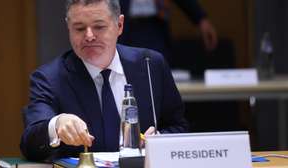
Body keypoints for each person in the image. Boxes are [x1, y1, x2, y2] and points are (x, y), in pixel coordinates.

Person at [20, 0, 189, 161]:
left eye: (99, 27)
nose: (89, 36)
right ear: (68, 28)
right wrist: (56, 125)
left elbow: (178, 127)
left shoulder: (150, 65)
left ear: (119, 25)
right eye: (79, 28)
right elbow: (30, 143)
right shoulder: (49, 78)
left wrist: (160, 141)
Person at [118, 0, 218, 63]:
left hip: (154, 26)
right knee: (124, 66)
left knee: (158, 67)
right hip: (124, 26)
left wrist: (200, 18)